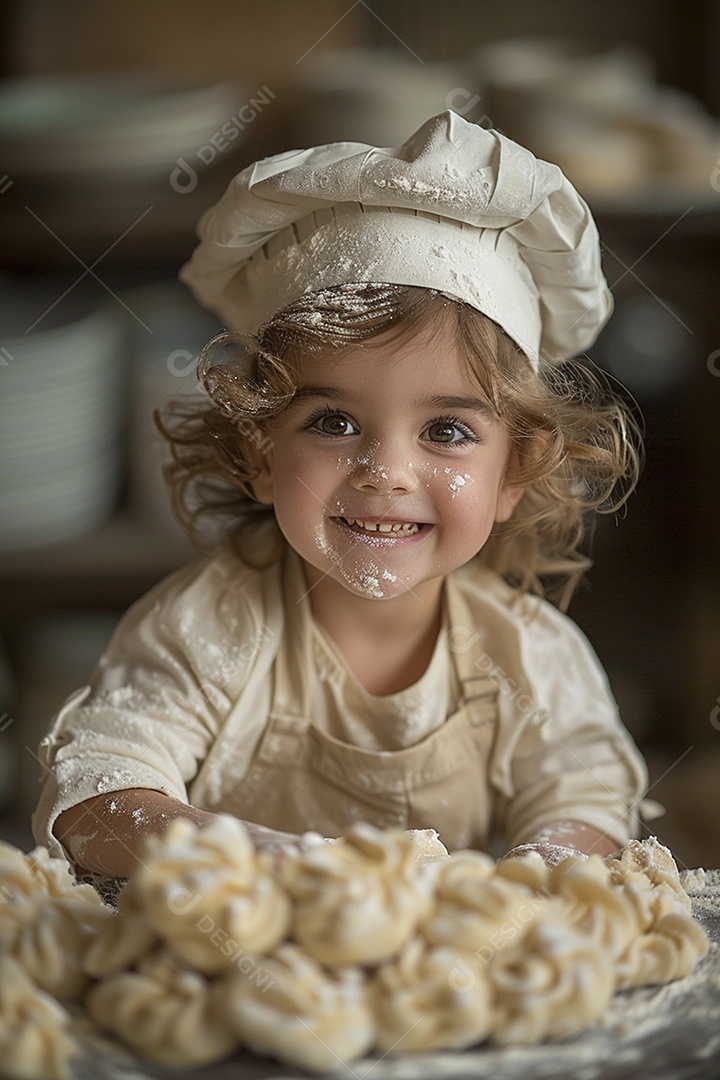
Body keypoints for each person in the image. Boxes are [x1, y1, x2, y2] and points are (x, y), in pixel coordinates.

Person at [33, 111, 649, 882]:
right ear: (260, 452)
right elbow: (97, 797)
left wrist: (518, 890)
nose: (384, 472)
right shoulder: (202, 634)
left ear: (514, 473)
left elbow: (589, 808)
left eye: (448, 432)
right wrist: (263, 866)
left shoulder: (530, 660)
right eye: (333, 421)